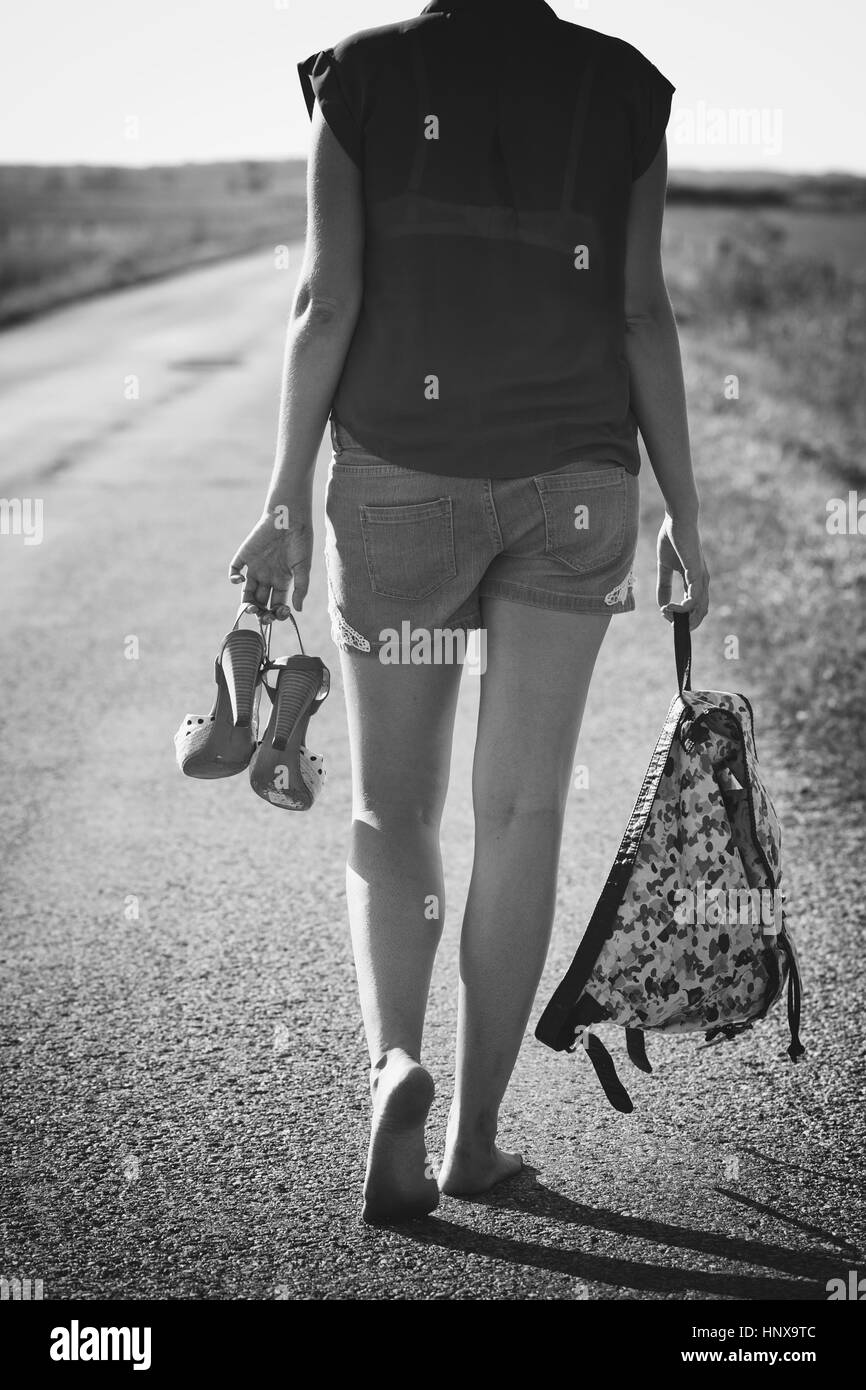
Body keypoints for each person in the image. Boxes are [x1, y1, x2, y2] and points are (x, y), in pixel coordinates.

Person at [229, 0, 710, 1223]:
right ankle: (474, 1140)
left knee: (394, 801)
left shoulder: (362, 77)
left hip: (399, 476)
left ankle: (393, 1061)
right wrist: (686, 520)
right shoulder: (623, 87)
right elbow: (641, 312)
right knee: (522, 806)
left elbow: (324, 304)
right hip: (580, 488)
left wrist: (285, 494)